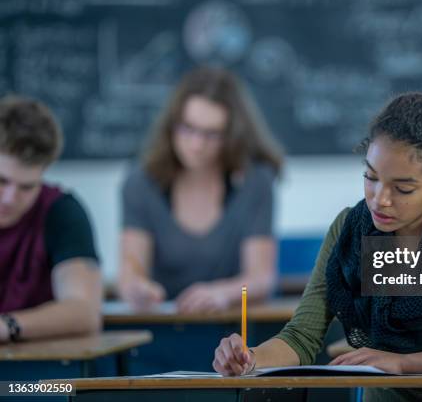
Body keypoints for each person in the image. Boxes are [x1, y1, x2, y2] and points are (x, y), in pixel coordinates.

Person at [212, 93, 422, 401]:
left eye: (403, 189)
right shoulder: (349, 229)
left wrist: (405, 364)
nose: (380, 200)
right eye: (371, 178)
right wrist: (250, 357)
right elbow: (302, 338)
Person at [118, 67, 283, 313]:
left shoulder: (255, 182)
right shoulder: (140, 182)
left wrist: (223, 293)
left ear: (232, 135)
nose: (196, 144)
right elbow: (131, 272)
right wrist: (136, 289)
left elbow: (261, 279)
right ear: (171, 124)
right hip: (160, 325)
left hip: (233, 327)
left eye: (212, 134)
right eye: (188, 128)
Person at [0, 96, 102, 343]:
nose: (10, 199)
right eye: (1, 181)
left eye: (27, 187)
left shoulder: (61, 212)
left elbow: (84, 312)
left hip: (35, 376)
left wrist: (7, 326)